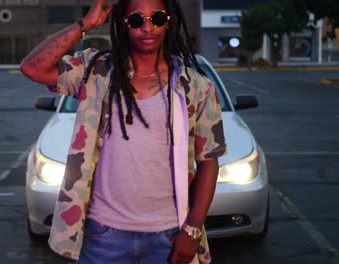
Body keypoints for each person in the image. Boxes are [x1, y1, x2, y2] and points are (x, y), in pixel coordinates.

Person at [20, 0, 227, 263]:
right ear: (123, 25)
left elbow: (209, 161)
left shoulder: (197, 88)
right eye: (137, 20)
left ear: (169, 22)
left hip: (169, 235)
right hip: (103, 236)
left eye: (158, 18)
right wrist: (86, 23)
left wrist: (193, 227)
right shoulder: (96, 72)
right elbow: (32, 68)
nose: (148, 27)